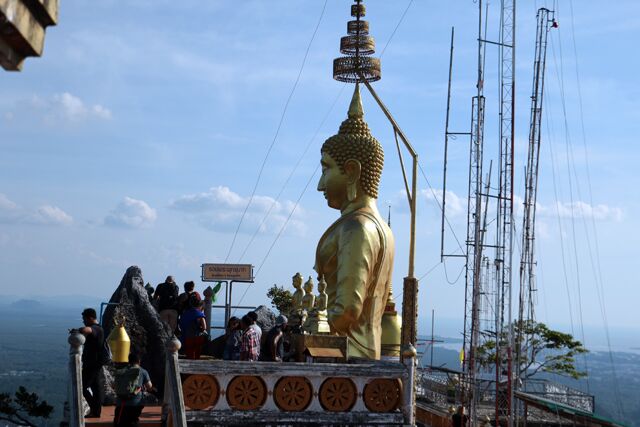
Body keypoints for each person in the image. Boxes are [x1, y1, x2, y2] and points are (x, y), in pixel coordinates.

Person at [314, 84, 395, 359]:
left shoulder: (357, 227)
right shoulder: (381, 227)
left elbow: (347, 310)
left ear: (351, 171)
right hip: (365, 353)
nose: (320, 184)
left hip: (347, 357)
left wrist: (308, 328)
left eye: (326, 169)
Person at [113, 353, 153, 427]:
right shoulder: (143, 371)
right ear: (139, 361)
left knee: (119, 422)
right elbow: (149, 387)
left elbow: (114, 385)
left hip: (121, 403)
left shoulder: (122, 370)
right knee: (133, 422)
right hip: (135, 403)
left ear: (129, 360)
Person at [79, 308, 105, 418]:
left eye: (84, 319)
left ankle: (94, 408)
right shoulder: (99, 328)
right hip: (96, 362)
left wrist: (79, 330)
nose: (83, 322)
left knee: (82, 387)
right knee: (96, 387)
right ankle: (96, 412)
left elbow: (87, 330)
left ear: (90, 318)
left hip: (92, 363)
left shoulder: (96, 329)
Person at [179, 293, 207, 359]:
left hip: (187, 336)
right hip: (198, 336)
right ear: (200, 305)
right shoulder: (200, 314)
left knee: (189, 354)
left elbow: (180, 325)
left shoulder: (185, 313)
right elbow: (204, 327)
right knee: (197, 353)